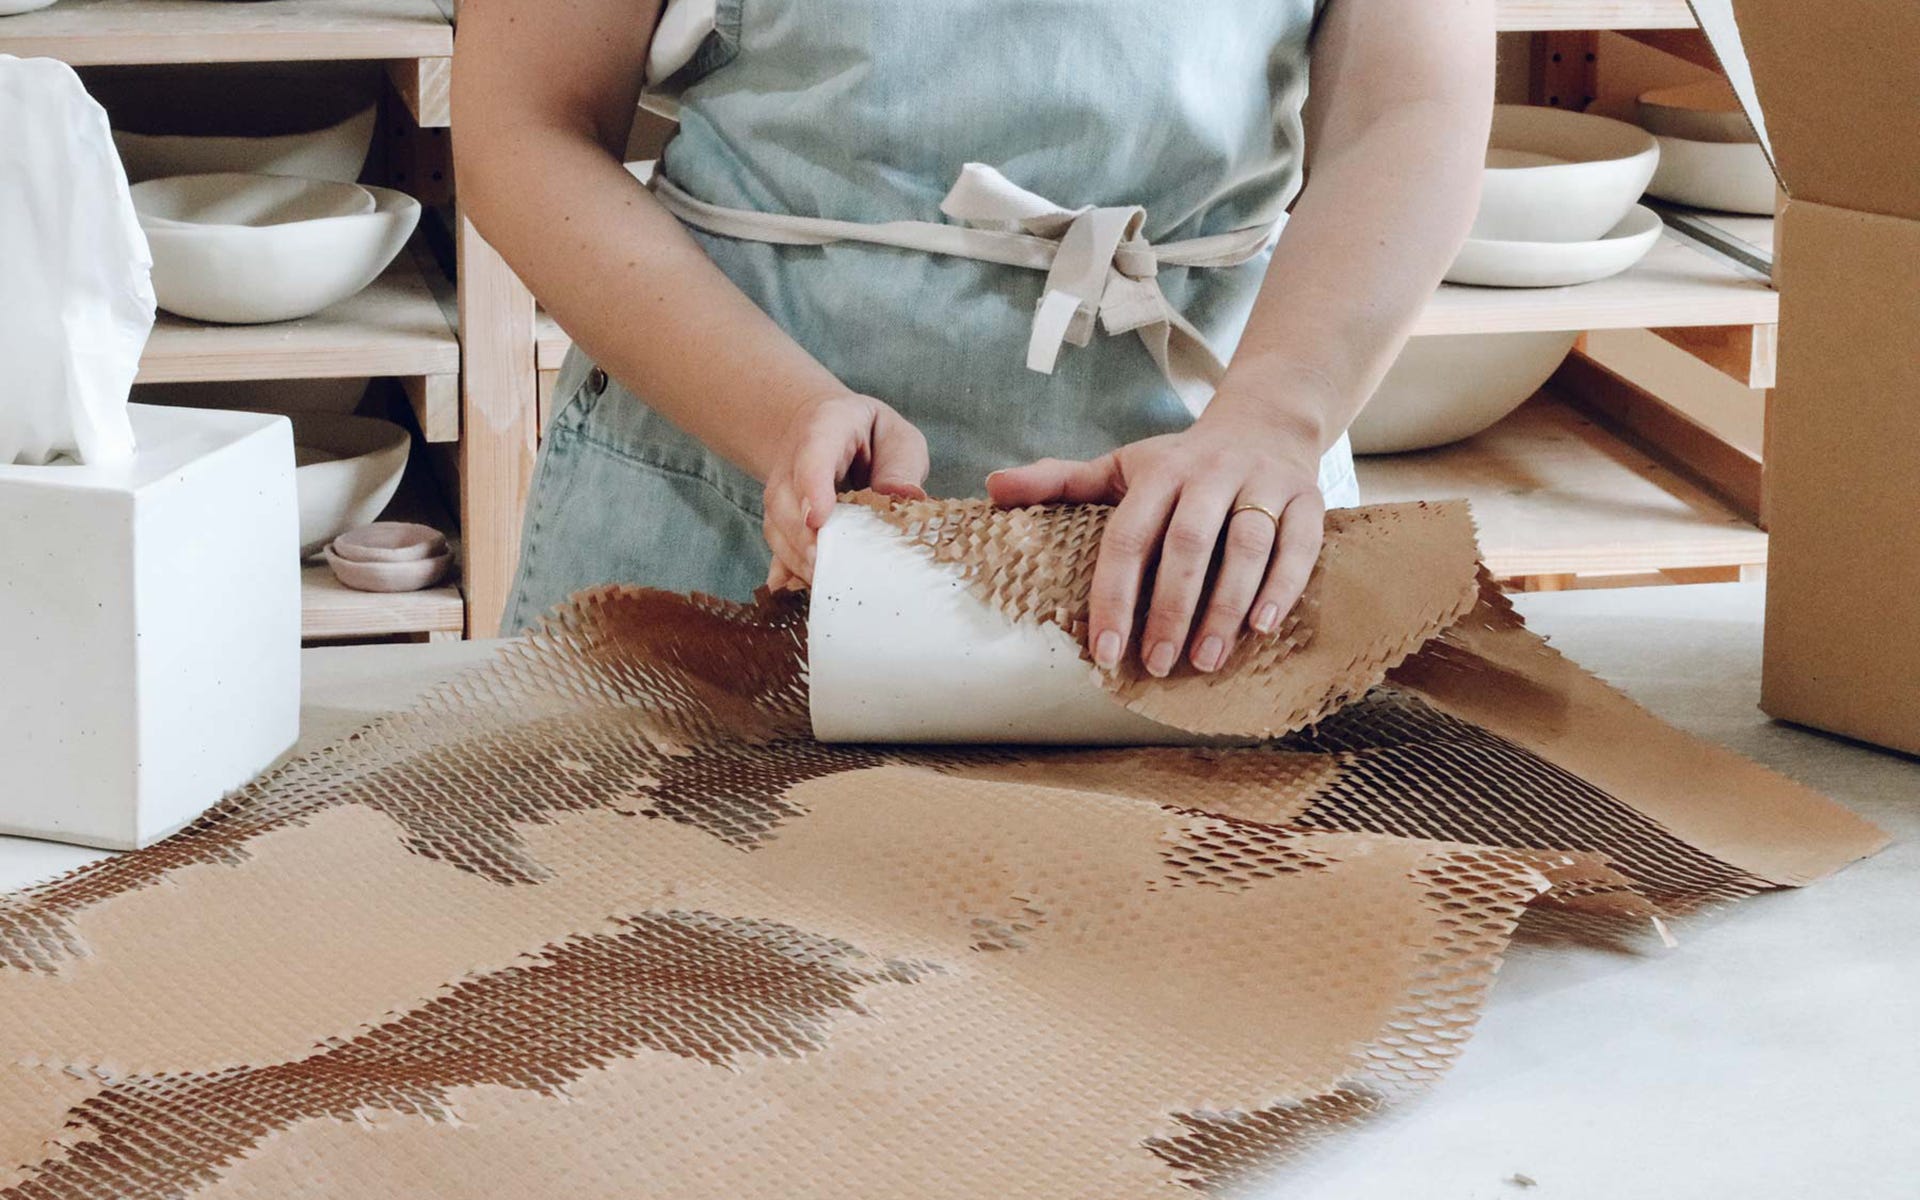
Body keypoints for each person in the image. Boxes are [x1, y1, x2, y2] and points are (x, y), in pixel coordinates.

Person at [453, 0, 1493, 675]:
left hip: (1204, 506)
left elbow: (1412, 106)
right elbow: (525, 118)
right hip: (721, 486)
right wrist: (781, 418)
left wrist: (1274, 419)